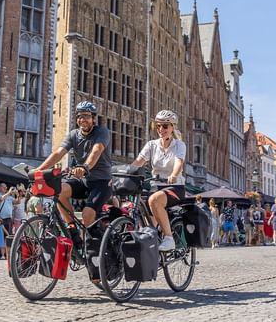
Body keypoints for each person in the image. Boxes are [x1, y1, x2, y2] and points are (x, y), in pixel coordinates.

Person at [34, 101, 113, 246]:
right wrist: (39, 170)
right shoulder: (73, 135)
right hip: (82, 180)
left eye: (87, 116)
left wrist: (84, 167)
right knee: (59, 191)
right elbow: (59, 152)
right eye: (80, 116)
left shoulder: (102, 132)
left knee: (87, 214)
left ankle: (97, 245)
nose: (83, 119)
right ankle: (72, 229)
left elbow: (96, 150)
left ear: (93, 118)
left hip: (101, 181)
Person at [130, 109, 186, 251]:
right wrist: (126, 173)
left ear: (173, 127)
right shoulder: (151, 145)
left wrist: (173, 174)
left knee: (154, 200)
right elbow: (138, 162)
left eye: (165, 126)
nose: (161, 129)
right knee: (146, 225)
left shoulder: (179, 145)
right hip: (156, 187)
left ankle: (169, 238)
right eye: (158, 125)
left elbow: (179, 163)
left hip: (174, 187)